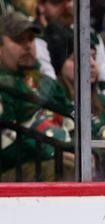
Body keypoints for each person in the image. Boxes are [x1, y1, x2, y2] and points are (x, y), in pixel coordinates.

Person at [0, 11, 72, 181]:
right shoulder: (3, 86)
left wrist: (83, 150)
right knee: (65, 169)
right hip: (13, 171)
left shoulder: (48, 83)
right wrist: (54, 151)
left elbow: (72, 117)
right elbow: (6, 143)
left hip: (58, 156)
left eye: (31, 39)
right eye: (19, 40)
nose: (27, 46)